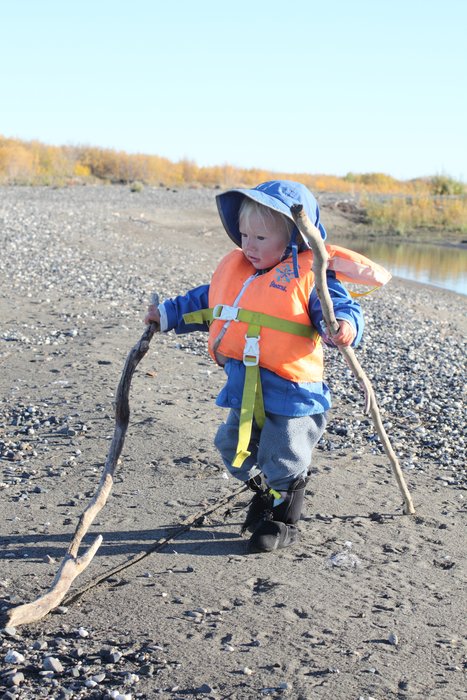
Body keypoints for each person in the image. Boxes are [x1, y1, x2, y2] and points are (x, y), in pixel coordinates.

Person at [144, 180, 364, 554]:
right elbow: (204, 302)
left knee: (285, 454)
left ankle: (282, 520)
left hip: (292, 394)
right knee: (232, 447)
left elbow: (341, 308)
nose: (248, 245)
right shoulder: (239, 271)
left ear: (295, 238)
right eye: (244, 235)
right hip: (244, 386)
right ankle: (267, 495)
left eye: (260, 237)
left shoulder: (312, 276)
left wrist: (343, 327)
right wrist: (165, 314)